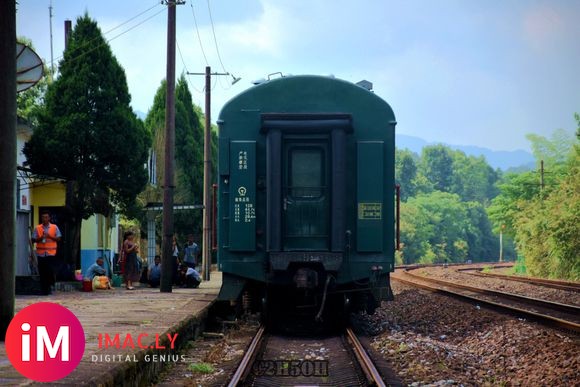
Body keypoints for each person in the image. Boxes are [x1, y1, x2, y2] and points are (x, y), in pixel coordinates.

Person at [31, 210, 62, 295]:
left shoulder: (54, 227)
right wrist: (40, 238)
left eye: (46, 217)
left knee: (49, 271)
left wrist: (49, 236)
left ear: (49, 218)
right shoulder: (38, 228)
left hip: (51, 253)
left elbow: (59, 238)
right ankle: (44, 290)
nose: (44, 219)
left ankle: (49, 285)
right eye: (43, 217)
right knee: (42, 272)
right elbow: (33, 240)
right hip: (41, 253)